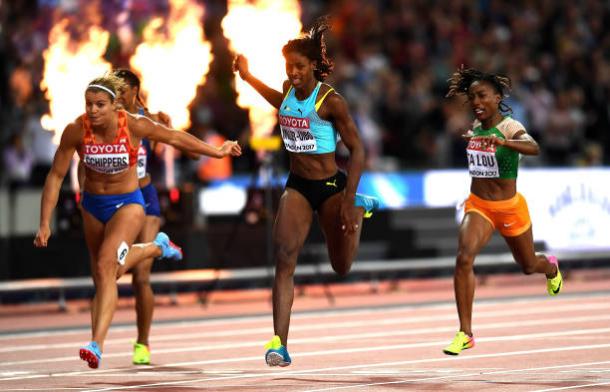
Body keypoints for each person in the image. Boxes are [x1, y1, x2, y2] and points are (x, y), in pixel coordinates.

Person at [34, 74, 241, 369]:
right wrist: (44, 223)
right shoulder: (76, 130)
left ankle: (97, 345)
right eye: (89, 104)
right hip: (92, 205)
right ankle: (156, 247)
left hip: (129, 204)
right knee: (104, 276)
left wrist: (216, 151)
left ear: (115, 104)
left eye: (100, 105)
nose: (92, 111)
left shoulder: (133, 124)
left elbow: (175, 137)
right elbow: (55, 176)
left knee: (109, 265)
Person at [233, 17, 378, 367]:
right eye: (289, 67)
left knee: (341, 266)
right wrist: (249, 77)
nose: (293, 73)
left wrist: (347, 198)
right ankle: (279, 344)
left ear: (314, 65)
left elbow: (357, 150)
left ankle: (358, 210)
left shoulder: (331, 101)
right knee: (283, 257)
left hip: (330, 188)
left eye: (299, 67)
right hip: (297, 185)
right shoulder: (288, 88)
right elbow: (279, 100)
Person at [442, 67, 563, 356]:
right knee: (463, 258)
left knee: (528, 266)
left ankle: (551, 267)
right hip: (479, 206)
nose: (476, 102)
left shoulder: (510, 126)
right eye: (472, 97)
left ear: (497, 97)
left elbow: (533, 147)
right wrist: (474, 139)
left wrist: (504, 142)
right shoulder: (477, 126)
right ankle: (465, 333)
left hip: (509, 208)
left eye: (482, 96)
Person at [113, 68, 168, 365]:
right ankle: (97, 338)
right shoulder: (108, 116)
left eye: (121, 90)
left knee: (141, 276)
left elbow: (188, 150)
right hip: (117, 202)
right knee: (110, 271)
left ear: (134, 91)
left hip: (145, 199)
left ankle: (142, 343)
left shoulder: (149, 119)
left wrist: (166, 128)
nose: (116, 96)